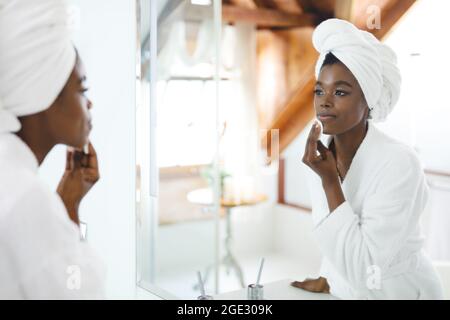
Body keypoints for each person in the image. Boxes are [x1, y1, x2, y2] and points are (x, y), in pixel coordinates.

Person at [291, 19, 443, 299]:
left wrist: (330, 183)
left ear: (368, 100)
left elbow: (365, 269)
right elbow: (335, 232)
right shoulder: (322, 157)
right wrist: (328, 276)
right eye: (319, 90)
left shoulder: (399, 163)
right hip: (345, 291)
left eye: (340, 92)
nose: (324, 101)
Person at [0, 0, 104, 299]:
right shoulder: (26, 197)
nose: (89, 104)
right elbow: (74, 291)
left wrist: (68, 203)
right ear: (44, 92)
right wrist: (67, 209)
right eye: (82, 89)